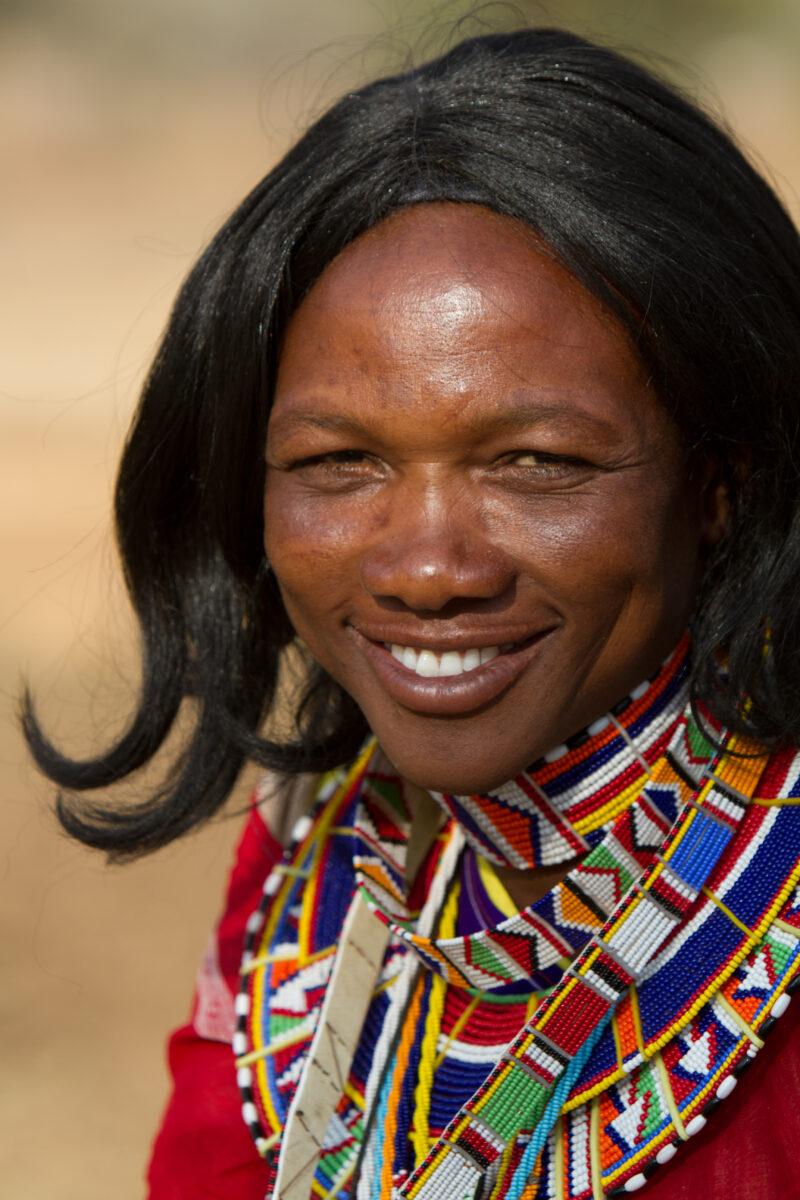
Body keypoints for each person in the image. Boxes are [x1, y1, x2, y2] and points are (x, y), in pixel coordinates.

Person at [23, 27, 800, 1200]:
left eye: (535, 462)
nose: (427, 568)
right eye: (337, 463)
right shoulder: (314, 873)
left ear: (714, 485)